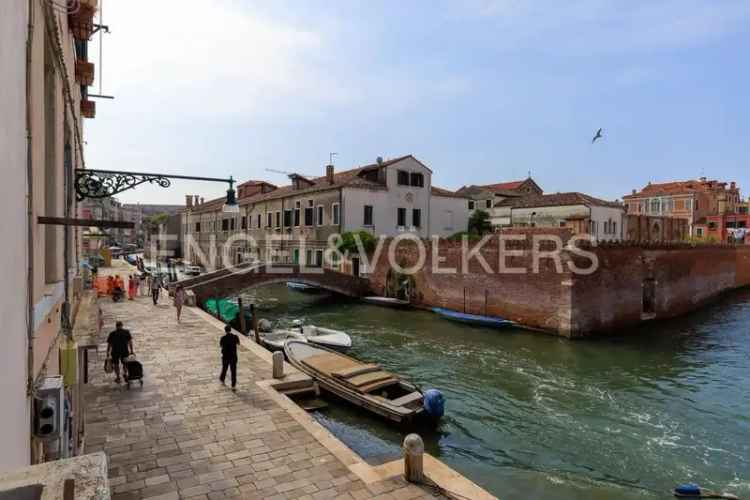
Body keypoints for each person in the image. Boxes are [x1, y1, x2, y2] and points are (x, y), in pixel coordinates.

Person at [219, 324, 240, 390]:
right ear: (230, 330)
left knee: (224, 368)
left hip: (225, 356)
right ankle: (233, 385)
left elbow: (221, 345)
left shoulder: (223, 338)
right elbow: (238, 343)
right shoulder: (235, 336)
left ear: (225, 330)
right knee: (233, 371)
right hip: (233, 356)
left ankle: (222, 379)